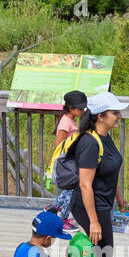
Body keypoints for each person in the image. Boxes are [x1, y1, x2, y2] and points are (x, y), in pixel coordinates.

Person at [68, 91, 129, 257]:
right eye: (115, 113)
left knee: (99, 251)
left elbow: (108, 170)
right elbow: (85, 185)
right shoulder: (89, 143)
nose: (119, 117)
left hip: (104, 202)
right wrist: (94, 221)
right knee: (104, 254)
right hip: (90, 205)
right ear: (100, 116)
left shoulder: (105, 137)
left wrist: (118, 196)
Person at [47, 90, 87, 234]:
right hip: (66, 163)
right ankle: (62, 219)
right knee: (73, 189)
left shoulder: (71, 120)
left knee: (72, 188)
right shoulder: (65, 122)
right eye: (80, 108)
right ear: (71, 108)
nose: (83, 111)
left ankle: (54, 207)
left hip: (71, 162)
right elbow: (59, 144)